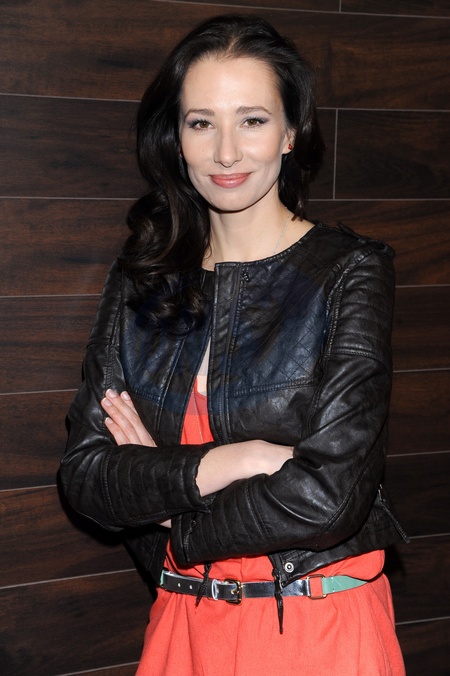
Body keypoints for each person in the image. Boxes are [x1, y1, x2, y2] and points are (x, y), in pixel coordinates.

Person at [60, 14, 408, 675]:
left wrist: (170, 509)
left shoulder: (348, 271)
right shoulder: (142, 278)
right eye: (201, 123)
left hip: (316, 627)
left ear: (290, 131)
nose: (226, 152)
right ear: (176, 138)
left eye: (251, 120)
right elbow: (86, 477)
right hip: (183, 624)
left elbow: (329, 497)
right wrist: (234, 461)